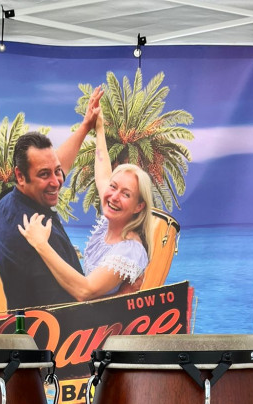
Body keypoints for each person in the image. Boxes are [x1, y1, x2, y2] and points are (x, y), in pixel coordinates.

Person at [17, 104, 153, 302]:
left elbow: (85, 291)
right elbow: (103, 175)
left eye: (126, 194)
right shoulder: (111, 221)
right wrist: (99, 128)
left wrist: (40, 244)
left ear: (139, 206)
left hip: (103, 321)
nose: (114, 196)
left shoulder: (129, 250)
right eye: (113, 187)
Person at [0, 87, 103, 310]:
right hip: (54, 328)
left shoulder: (6, 201)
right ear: (20, 176)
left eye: (57, 171)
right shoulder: (38, 232)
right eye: (44, 174)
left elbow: (52, 167)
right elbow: (81, 297)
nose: (57, 181)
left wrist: (85, 126)